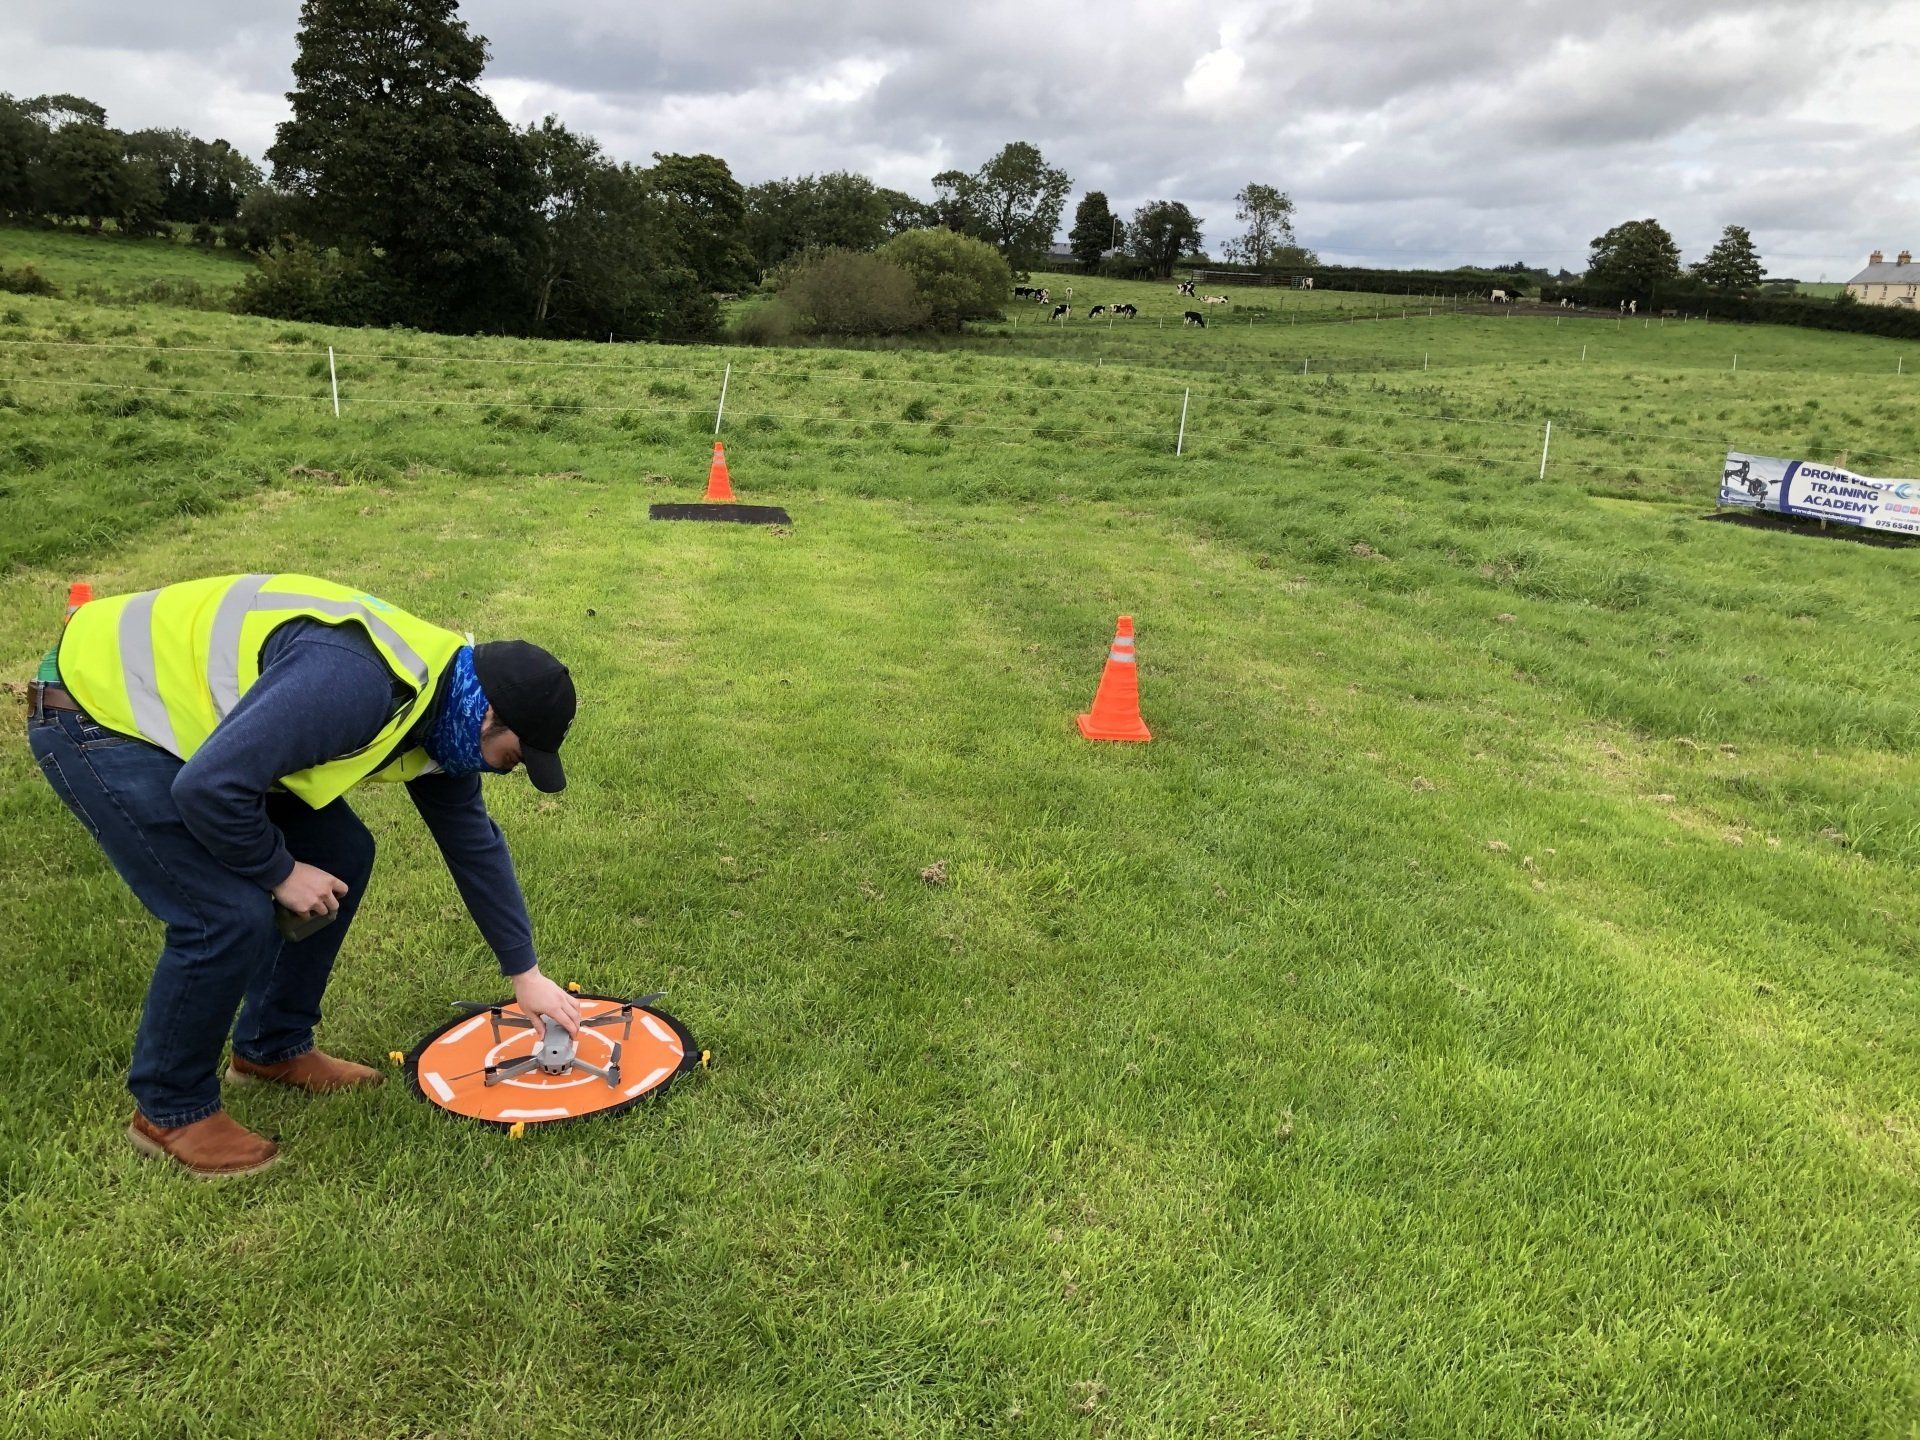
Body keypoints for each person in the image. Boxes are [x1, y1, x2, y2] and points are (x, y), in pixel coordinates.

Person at [26, 573, 584, 1178]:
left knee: (343, 852)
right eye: (511, 759)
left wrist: (524, 973)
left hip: (215, 740)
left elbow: (474, 846)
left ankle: (271, 1047)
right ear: (489, 717)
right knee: (223, 913)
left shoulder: (444, 711)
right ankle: (171, 1108)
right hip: (100, 711)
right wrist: (280, 871)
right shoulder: (356, 684)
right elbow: (210, 789)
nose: (501, 771)